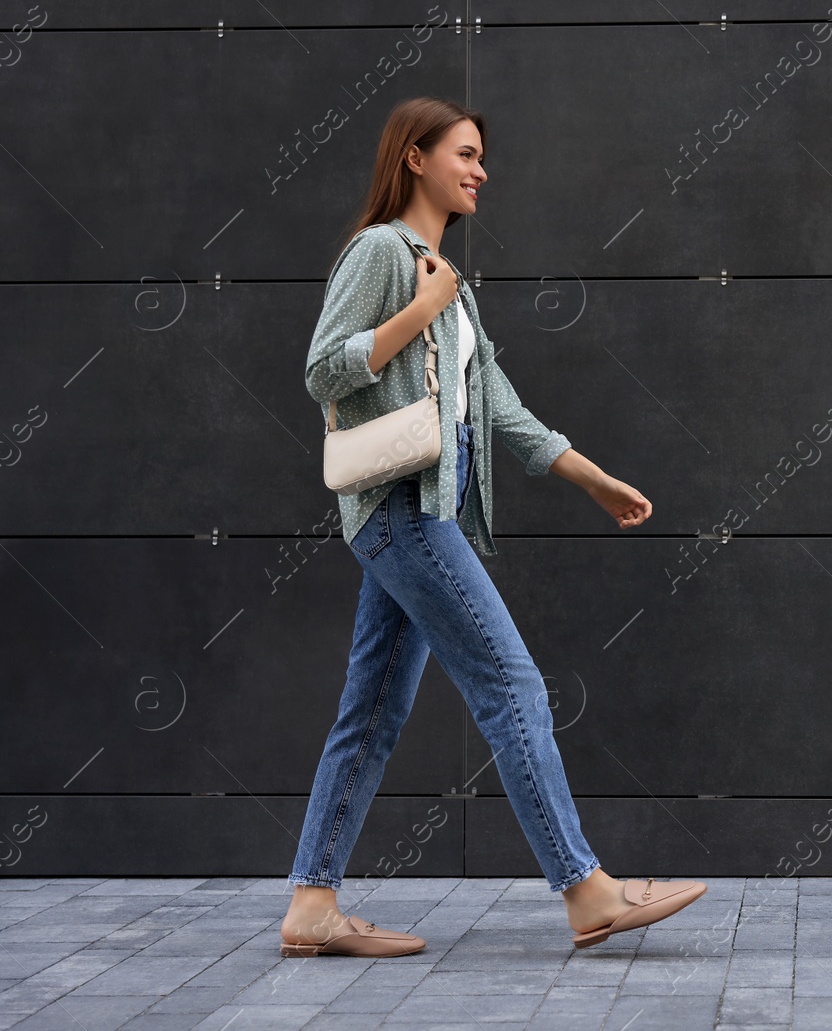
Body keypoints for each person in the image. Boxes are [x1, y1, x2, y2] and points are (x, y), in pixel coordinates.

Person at [282, 96, 704, 957]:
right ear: (415, 159)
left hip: (418, 514)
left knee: (369, 715)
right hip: (402, 509)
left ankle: (311, 905)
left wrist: (593, 478)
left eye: (483, 158)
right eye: (466, 154)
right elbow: (324, 370)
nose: (481, 170)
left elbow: (501, 410)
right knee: (512, 687)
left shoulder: (448, 280)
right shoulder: (384, 254)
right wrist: (420, 305)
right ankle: (587, 891)